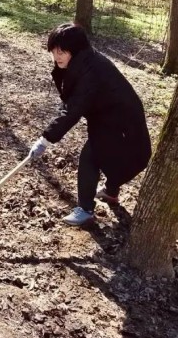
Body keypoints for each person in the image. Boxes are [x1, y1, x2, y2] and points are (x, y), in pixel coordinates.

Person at [29, 23, 152, 226]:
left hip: (121, 121)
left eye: (62, 51)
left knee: (91, 156)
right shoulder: (82, 62)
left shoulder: (90, 71)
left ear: (75, 50)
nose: (57, 56)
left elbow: (73, 109)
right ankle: (111, 193)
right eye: (54, 51)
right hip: (109, 117)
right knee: (100, 152)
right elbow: (72, 102)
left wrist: (45, 139)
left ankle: (85, 210)